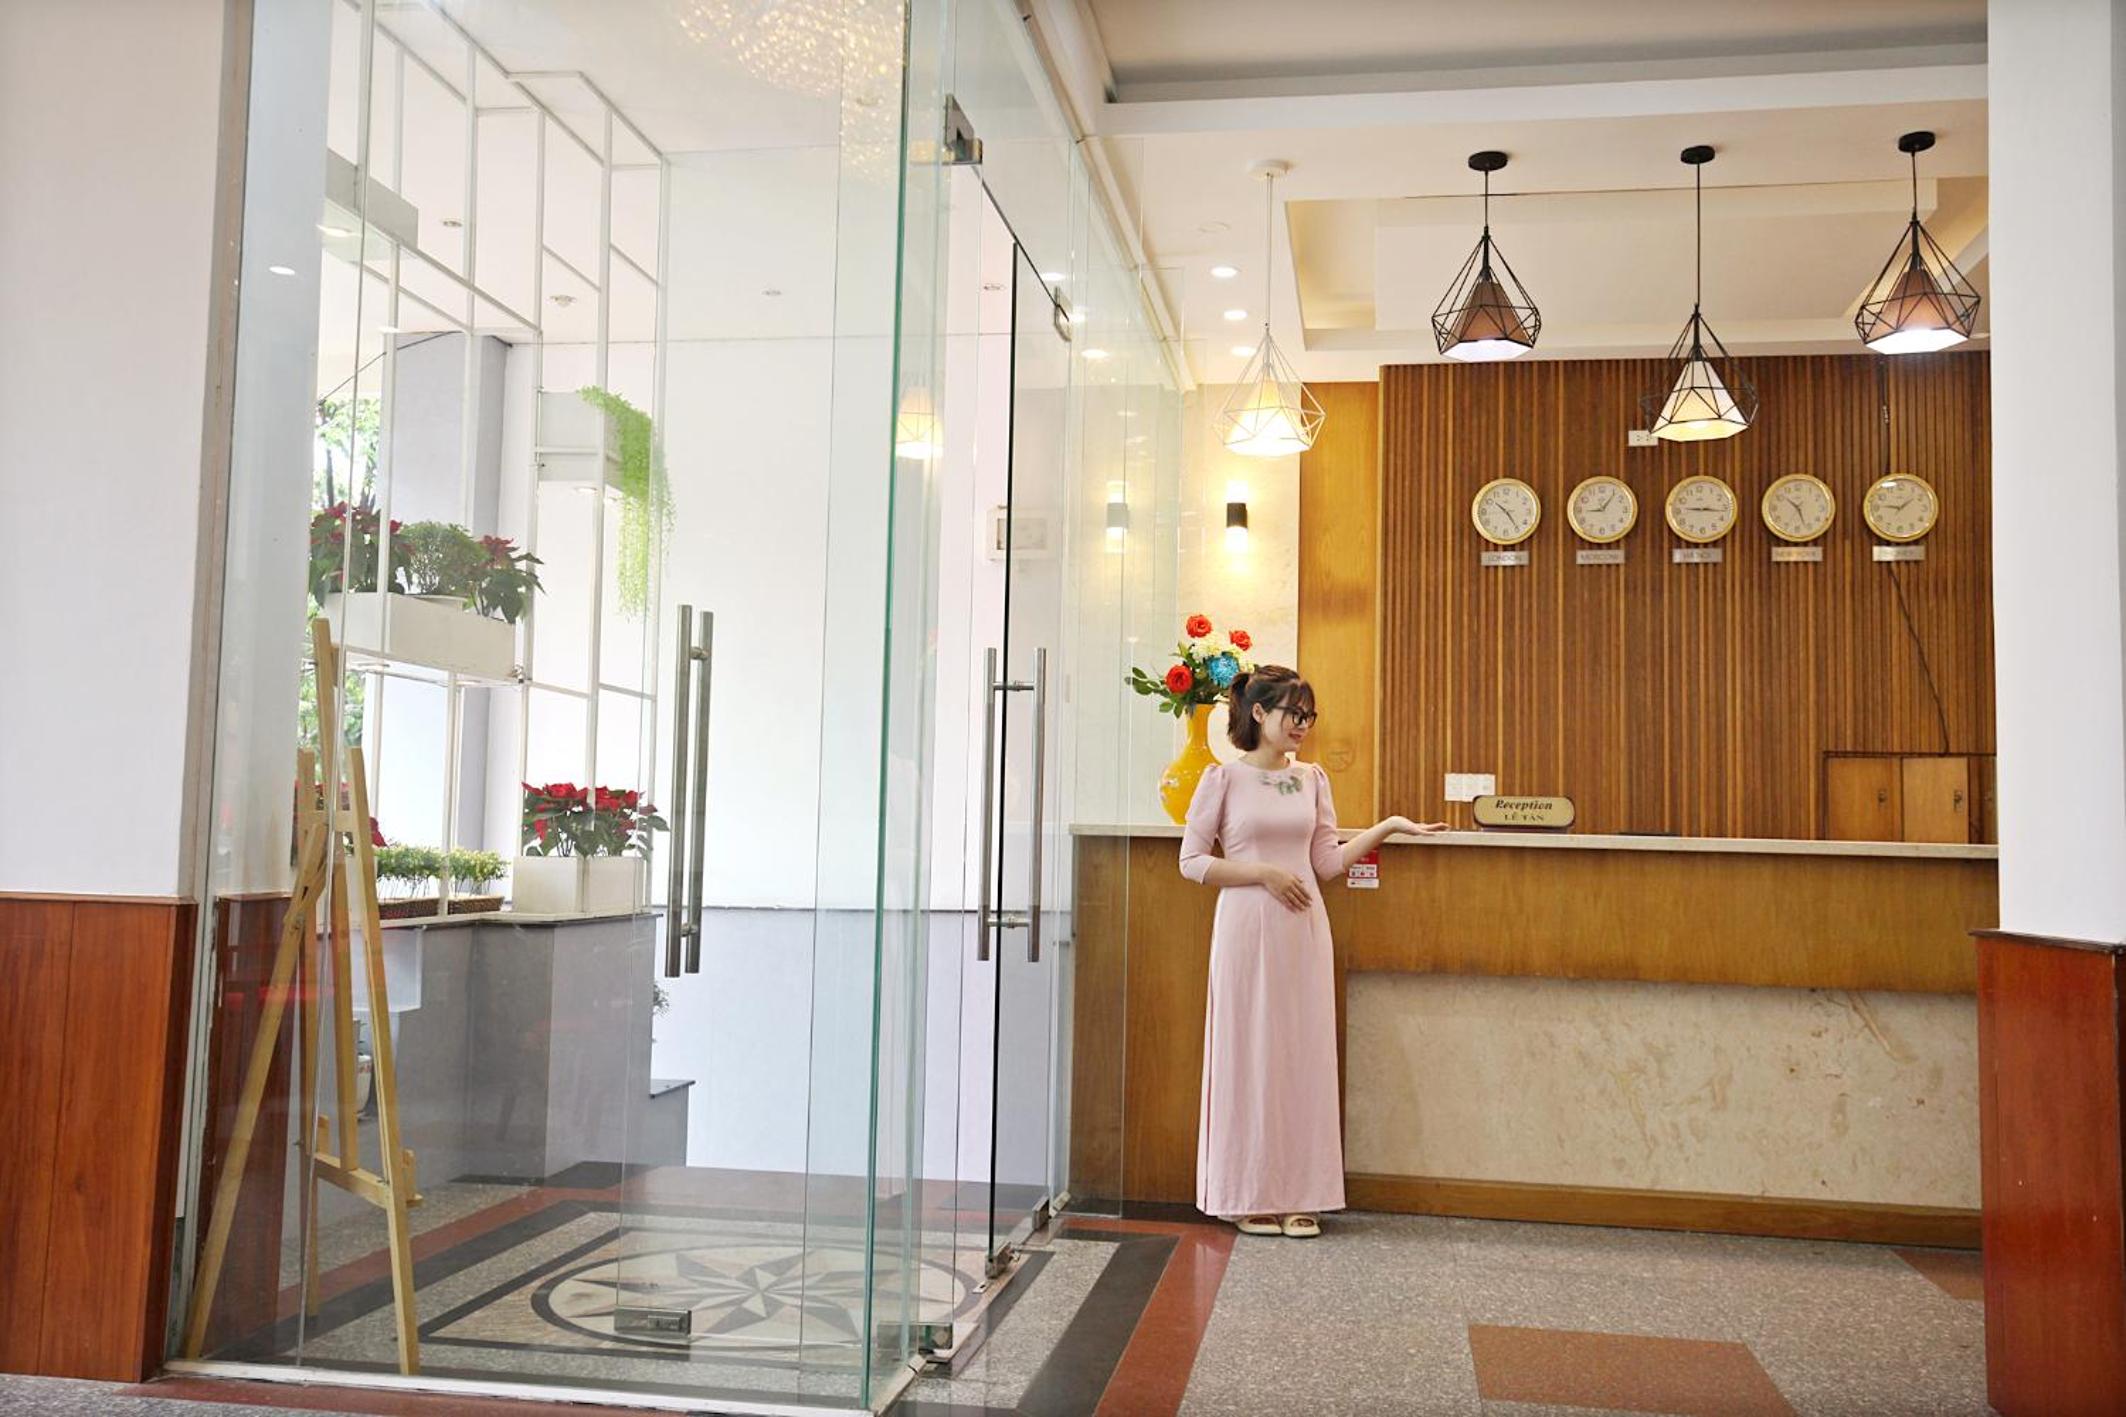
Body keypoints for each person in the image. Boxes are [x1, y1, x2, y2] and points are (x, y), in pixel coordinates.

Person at [1178, 665, 1446, 1237]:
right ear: (1259, 713)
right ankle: (1247, 1194)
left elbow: (1325, 863)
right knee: (1249, 1053)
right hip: (1246, 928)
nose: (1302, 725)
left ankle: (1303, 1194)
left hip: (1302, 930)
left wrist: (1388, 826)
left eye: (1308, 716)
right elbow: (1192, 861)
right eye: (1293, 714)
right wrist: (1263, 873)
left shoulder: (1312, 779)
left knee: (1303, 1055)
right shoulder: (1222, 779)